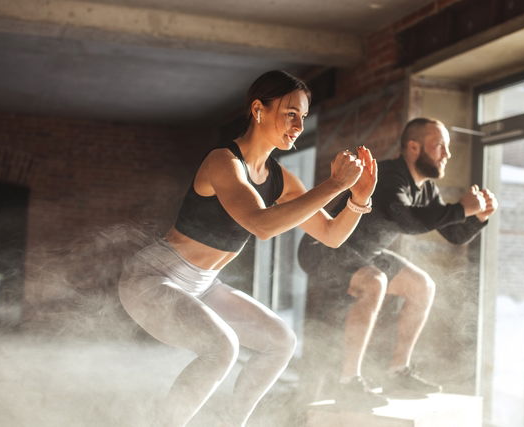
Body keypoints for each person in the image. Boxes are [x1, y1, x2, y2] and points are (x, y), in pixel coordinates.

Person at [117, 70, 378, 427]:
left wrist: (357, 200)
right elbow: (261, 224)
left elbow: (331, 234)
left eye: (302, 117)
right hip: (152, 278)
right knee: (221, 349)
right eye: (290, 114)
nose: (299, 125)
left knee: (280, 341)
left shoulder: (280, 179)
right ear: (258, 110)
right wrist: (334, 184)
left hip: (205, 284)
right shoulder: (223, 162)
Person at [298, 117, 498, 403]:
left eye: (447, 147)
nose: (447, 154)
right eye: (439, 145)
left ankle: (396, 373)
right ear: (414, 148)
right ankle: (348, 382)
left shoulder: (426, 189)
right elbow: (407, 220)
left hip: (364, 253)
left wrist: (477, 217)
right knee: (375, 281)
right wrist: (460, 208)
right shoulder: (389, 175)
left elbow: (454, 234)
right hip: (323, 248)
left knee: (422, 285)